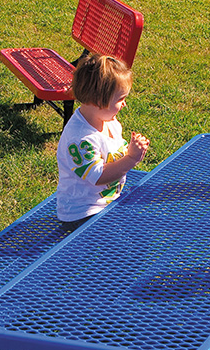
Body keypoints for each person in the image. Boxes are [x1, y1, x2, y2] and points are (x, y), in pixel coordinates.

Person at [55, 54, 150, 227]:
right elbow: (99, 176)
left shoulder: (110, 122)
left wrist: (131, 149)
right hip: (82, 213)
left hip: (107, 202)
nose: (124, 104)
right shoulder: (80, 139)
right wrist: (131, 158)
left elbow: (111, 154)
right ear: (99, 100)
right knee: (128, 242)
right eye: (120, 99)